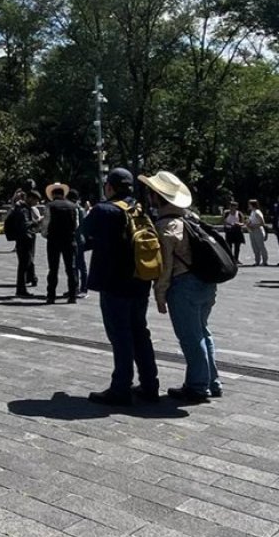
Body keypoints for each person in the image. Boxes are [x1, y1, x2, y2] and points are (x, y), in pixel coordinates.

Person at [141, 170, 221, 403]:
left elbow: (165, 266)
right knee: (203, 332)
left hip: (184, 285)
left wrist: (160, 294)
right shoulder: (191, 218)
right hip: (206, 283)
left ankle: (197, 386)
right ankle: (212, 381)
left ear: (158, 197)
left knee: (190, 337)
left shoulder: (167, 226)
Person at [84, 167, 159, 406]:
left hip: (114, 283)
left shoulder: (104, 210)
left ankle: (120, 388)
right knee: (140, 332)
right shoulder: (140, 209)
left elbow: (82, 235)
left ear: (110, 187)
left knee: (121, 336)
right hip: (140, 280)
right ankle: (150, 385)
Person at [40, 182, 79, 304]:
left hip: (54, 240)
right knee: (71, 268)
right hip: (69, 239)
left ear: (53, 194)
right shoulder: (73, 206)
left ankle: (51, 296)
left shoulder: (50, 206)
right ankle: (72, 295)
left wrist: (45, 235)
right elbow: (76, 225)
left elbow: (46, 223)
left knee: (53, 268)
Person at [68, 189, 89, 297]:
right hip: (79, 239)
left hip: (78, 239)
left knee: (79, 264)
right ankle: (76, 287)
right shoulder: (80, 209)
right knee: (76, 265)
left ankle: (83, 288)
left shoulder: (78, 210)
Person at [247, 199, 269, 266]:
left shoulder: (257, 212)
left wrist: (254, 226)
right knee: (254, 247)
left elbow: (262, 222)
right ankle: (257, 261)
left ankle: (264, 261)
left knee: (261, 246)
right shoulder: (252, 212)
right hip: (252, 231)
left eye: (249, 204)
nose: (248, 206)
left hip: (257, 230)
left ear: (252, 205)